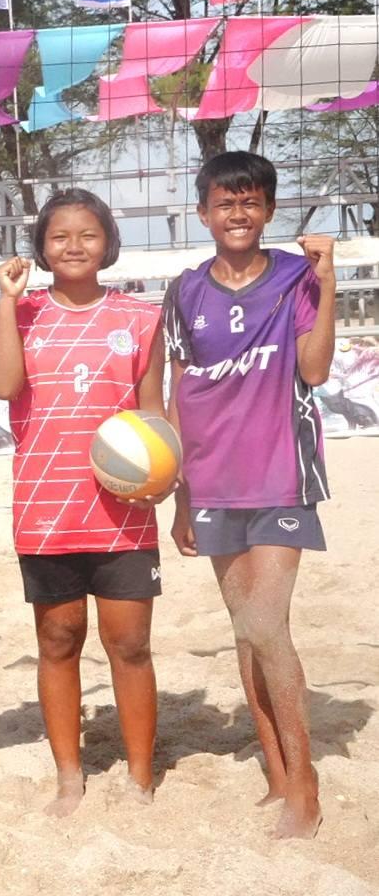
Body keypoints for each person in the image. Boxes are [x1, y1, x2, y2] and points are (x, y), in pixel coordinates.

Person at [164, 151, 334, 839]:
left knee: (265, 623)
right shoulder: (184, 291)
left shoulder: (296, 276)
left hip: (281, 472)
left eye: (250, 201)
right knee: (245, 630)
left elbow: (315, 370)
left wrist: (328, 281)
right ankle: (276, 774)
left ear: (268, 209)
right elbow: (179, 389)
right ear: (203, 213)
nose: (238, 212)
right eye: (225, 202)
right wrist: (180, 494)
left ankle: (306, 785)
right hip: (211, 478)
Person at [0, 189, 165, 816]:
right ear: (41, 248)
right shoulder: (24, 312)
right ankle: (69, 775)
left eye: (88, 234)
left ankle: (139, 776)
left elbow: (152, 411)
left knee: (130, 643)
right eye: (59, 236)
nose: (74, 246)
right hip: (47, 505)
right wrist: (7, 302)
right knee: (59, 639)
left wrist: (166, 474)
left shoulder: (139, 317)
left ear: (107, 242)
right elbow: (2, 384)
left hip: (123, 510)